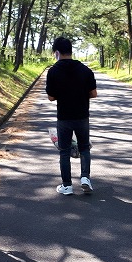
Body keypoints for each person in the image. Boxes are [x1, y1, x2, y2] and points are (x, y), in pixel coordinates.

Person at [45, 37, 97, 195]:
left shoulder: (53, 71)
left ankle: (66, 185)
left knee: (64, 151)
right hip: (82, 116)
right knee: (84, 148)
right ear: (71, 51)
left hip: (64, 118)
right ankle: (85, 178)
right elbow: (93, 94)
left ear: (57, 52)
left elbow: (51, 97)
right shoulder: (85, 70)